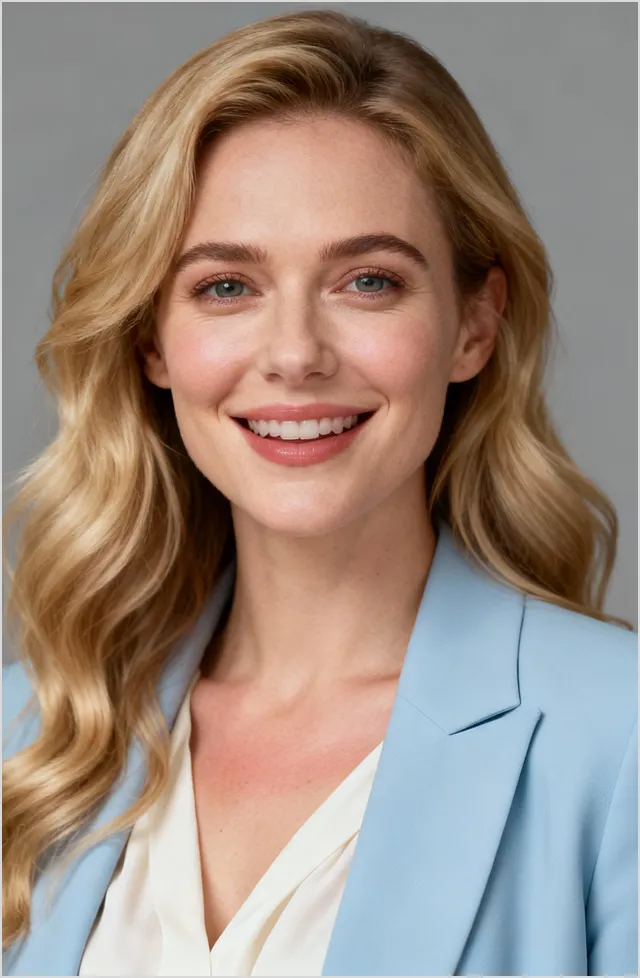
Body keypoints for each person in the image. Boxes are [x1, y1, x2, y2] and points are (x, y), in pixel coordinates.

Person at [2, 9, 637, 977]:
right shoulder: (30, 744)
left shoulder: (616, 739)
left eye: (367, 281)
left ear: (473, 324)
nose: (295, 355)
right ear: (149, 342)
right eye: (225, 288)